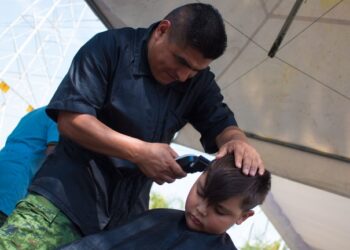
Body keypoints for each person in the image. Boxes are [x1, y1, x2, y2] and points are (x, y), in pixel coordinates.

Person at [0, 3, 265, 249]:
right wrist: (138, 152)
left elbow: (222, 123)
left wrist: (236, 140)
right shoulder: (109, 48)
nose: (183, 76)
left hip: (124, 227)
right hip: (60, 205)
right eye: (181, 62)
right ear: (162, 30)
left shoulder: (198, 84)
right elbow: (71, 120)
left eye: (194, 71)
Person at [58, 154, 271, 250]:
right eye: (200, 192)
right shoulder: (155, 220)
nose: (201, 209)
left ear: (243, 217)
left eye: (219, 210)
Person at [0, 106, 59, 226]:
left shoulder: (34, 113)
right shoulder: (58, 115)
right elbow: (52, 153)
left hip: (5, 161)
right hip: (18, 177)